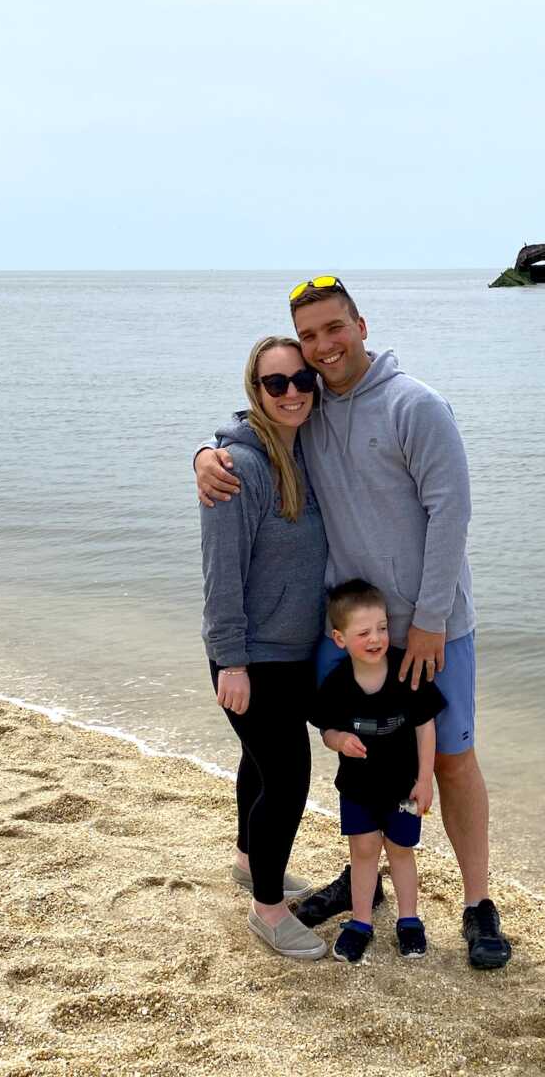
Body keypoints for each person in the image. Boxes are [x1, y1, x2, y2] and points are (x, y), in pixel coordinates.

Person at [196, 276, 512, 969]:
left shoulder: (416, 405)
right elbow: (254, 425)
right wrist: (206, 452)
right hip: (348, 631)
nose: (322, 347)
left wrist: (428, 620)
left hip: (432, 628)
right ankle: (361, 878)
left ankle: (477, 904)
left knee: (452, 761)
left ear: (361, 326)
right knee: (359, 756)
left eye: (333, 329)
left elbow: (451, 513)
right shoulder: (309, 410)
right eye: (309, 338)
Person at [200, 334, 328, 960]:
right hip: (251, 653)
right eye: (276, 383)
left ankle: (251, 865)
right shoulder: (238, 468)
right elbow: (221, 571)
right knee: (289, 778)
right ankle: (269, 913)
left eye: (302, 379)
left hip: (297, 651)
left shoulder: (308, 450)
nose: (293, 392)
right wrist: (231, 660)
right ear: (256, 391)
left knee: (259, 763)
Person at [311, 580, 446, 963]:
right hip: (356, 788)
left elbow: (426, 726)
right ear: (340, 639)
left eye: (383, 628)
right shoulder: (336, 683)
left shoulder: (407, 672)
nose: (376, 638)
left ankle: (409, 920)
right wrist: (339, 741)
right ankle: (361, 922)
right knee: (364, 851)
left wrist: (424, 780)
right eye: (364, 632)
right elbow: (326, 731)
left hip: (404, 786)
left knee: (402, 851)